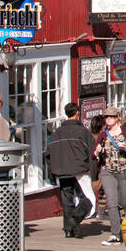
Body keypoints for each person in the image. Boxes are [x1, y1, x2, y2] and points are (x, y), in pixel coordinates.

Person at [45, 102, 96, 238]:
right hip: (78, 170)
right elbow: (92, 153)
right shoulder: (82, 132)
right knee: (88, 199)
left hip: (61, 171)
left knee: (67, 200)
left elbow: (48, 154)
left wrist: (51, 173)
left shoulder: (57, 133)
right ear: (77, 113)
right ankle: (74, 219)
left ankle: (69, 230)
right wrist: (94, 172)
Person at [96, 106, 126, 243]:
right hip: (107, 171)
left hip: (124, 171)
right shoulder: (103, 135)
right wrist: (97, 151)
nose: (108, 119)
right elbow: (96, 155)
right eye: (106, 117)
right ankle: (115, 234)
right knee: (112, 202)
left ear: (117, 118)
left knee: (125, 201)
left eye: (111, 117)